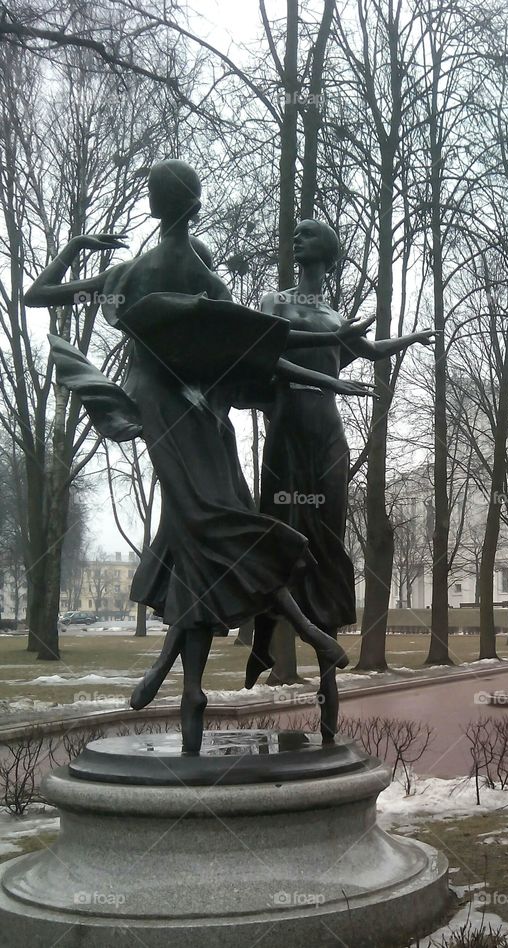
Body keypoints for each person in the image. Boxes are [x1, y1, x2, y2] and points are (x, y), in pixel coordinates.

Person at [25, 160, 374, 752]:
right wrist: (330, 358)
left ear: (161, 207)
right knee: (216, 528)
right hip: (195, 414)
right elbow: (267, 342)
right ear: (194, 207)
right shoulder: (198, 277)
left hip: (171, 412)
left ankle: (181, 682)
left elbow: (39, 295)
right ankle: (302, 633)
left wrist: (76, 247)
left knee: (200, 534)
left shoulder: (132, 271)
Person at [244, 219, 433, 742]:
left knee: (328, 543)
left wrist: (408, 338)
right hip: (287, 433)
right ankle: (265, 637)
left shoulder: (336, 315)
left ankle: (328, 678)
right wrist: (333, 359)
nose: (296, 240)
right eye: (295, 234)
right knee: (282, 534)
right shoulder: (273, 303)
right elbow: (269, 353)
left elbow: (364, 351)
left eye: (307, 235)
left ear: (326, 252)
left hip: (327, 432)